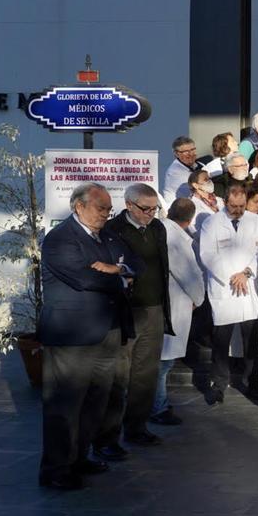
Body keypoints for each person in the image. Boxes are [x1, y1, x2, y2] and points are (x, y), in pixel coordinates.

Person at [38, 183, 137, 490]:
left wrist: (114, 269)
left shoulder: (105, 234)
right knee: (65, 406)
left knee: (96, 402)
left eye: (109, 209)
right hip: (73, 336)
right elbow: (84, 277)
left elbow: (131, 263)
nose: (107, 214)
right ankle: (56, 469)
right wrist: (116, 274)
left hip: (106, 330)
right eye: (101, 208)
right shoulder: (60, 239)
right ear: (79, 206)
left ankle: (79, 457)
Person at [94, 183, 172, 457]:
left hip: (153, 309)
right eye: (145, 208)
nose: (150, 213)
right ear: (128, 205)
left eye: (154, 208)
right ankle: (107, 438)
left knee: (146, 374)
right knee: (118, 376)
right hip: (126, 312)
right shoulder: (113, 230)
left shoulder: (158, 228)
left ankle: (137, 427)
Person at [198, 182, 258, 405]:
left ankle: (253, 383)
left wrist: (246, 273)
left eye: (241, 206)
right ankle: (218, 384)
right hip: (225, 288)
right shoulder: (211, 224)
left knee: (252, 342)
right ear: (225, 202)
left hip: (249, 287)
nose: (238, 210)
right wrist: (232, 276)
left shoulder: (255, 221)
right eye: (233, 206)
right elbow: (207, 254)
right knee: (221, 341)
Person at [150, 199, 205, 427]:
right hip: (173, 305)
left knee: (161, 360)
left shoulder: (160, 229)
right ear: (190, 220)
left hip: (165, 304)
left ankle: (155, 403)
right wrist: (199, 298)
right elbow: (188, 274)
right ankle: (157, 407)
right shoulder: (176, 239)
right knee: (163, 363)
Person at [162, 136, 201, 202]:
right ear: (177, 154)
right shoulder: (174, 172)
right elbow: (198, 191)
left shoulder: (199, 164)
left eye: (192, 150)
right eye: (186, 151)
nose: (191, 154)